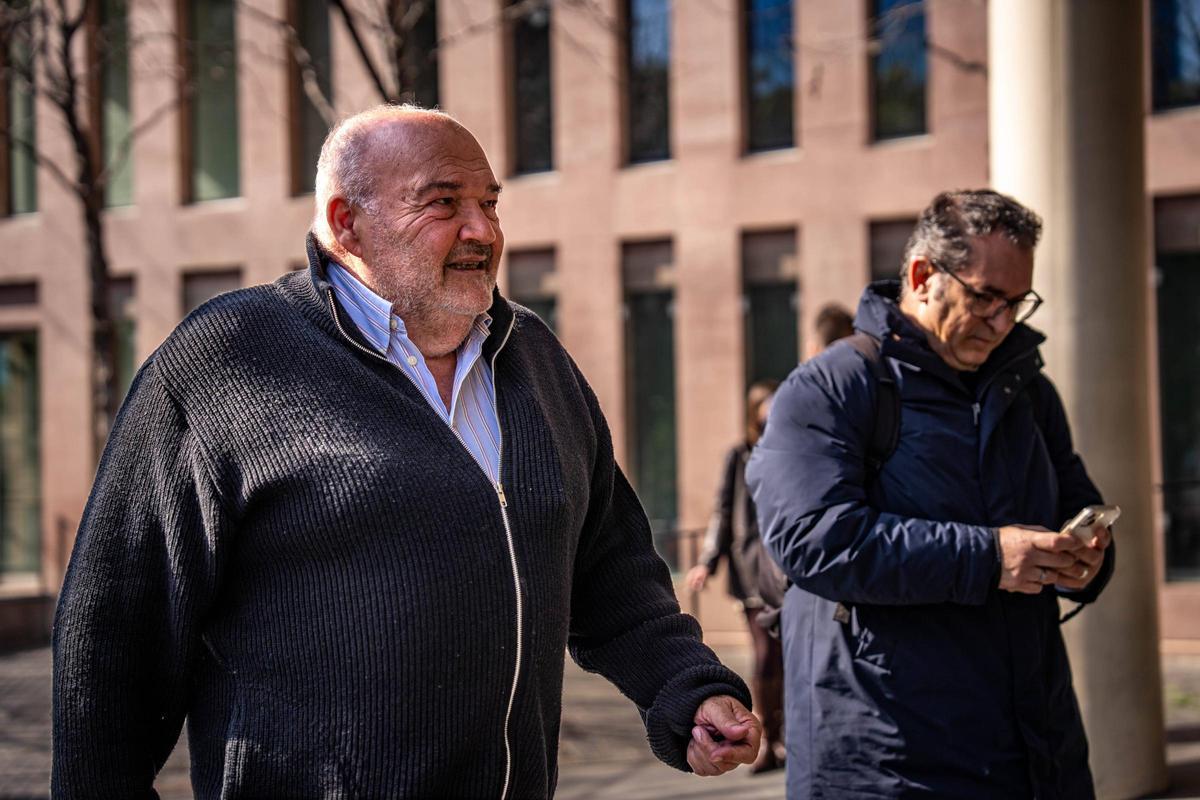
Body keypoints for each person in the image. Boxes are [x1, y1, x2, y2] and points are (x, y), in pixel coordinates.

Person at [52, 105, 760, 798]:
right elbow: (115, 630)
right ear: (345, 223)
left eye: (489, 203)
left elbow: (610, 570)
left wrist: (686, 687)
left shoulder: (535, 358)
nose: (483, 230)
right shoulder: (228, 359)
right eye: (443, 203)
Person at [746, 189, 1115, 799]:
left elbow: (1074, 503)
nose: (1003, 322)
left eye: (1017, 302)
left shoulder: (1029, 391)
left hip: (1037, 754)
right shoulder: (832, 386)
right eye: (985, 297)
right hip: (886, 761)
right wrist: (989, 558)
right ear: (922, 277)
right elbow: (811, 541)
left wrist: (1087, 561)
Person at [686, 380, 785, 774]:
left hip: (789, 572)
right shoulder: (740, 455)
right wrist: (708, 561)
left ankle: (786, 739)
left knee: (790, 658)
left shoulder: (789, 449)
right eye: (766, 405)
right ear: (755, 411)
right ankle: (770, 738)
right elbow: (723, 511)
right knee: (764, 657)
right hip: (753, 572)